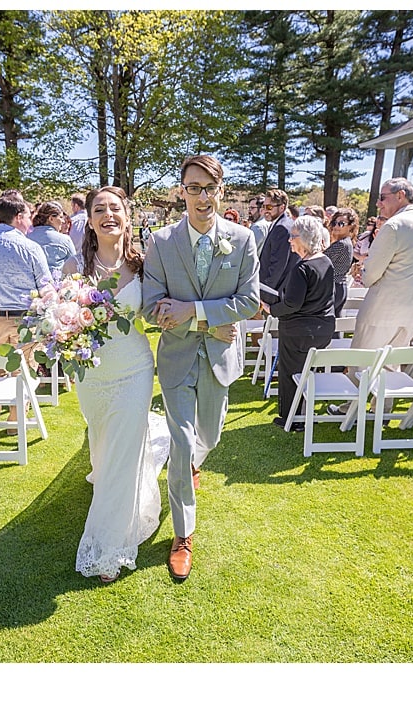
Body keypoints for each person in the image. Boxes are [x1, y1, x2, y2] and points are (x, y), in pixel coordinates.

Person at [142, 154, 260, 581]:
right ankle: (183, 534)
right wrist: (207, 319)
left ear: (221, 190)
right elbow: (152, 307)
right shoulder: (160, 241)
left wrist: (194, 313)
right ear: (181, 192)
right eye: (193, 188)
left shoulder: (243, 239)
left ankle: (190, 465)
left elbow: (249, 301)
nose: (202, 196)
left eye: (209, 188)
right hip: (176, 360)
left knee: (207, 437)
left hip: (219, 359)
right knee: (181, 442)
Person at [61, 186, 165, 584]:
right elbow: (64, 317)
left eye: (115, 208)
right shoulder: (76, 267)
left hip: (135, 369)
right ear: (88, 220)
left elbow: (156, 311)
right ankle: (114, 493)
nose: (108, 214)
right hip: (93, 373)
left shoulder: (143, 264)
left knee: (121, 453)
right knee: (104, 450)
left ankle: (108, 547)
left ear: (128, 216)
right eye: (99, 209)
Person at [327, 178, 413, 417]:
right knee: (391, 362)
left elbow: (372, 273)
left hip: (385, 306)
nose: (378, 203)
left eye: (383, 197)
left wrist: (362, 271)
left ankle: (350, 409)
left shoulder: (394, 226)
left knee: (360, 358)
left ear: (401, 196)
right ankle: (382, 411)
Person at [0, 191, 49, 423]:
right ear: (18, 216)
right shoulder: (29, 247)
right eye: (28, 215)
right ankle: (16, 422)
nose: (30, 221)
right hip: (23, 318)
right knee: (23, 369)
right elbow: (45, 286)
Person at [269, 216, 335, 431]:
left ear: (305, 238)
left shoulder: (302, 268)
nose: (290, 240)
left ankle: (292, 419)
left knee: (290, 374)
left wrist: (271, 309)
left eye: (293, 236)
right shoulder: (325, 261)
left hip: (298, 331)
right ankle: (300, 415)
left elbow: (292, 304)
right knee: (306, 373)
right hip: (322, 328)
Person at [258, 188, 298, 299]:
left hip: (274, 294)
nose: (265, 210)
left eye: (269, 207)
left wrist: (265, 293)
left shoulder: (282, 228)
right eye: (264, 206)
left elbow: (278, 266)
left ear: (282, 207)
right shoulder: (282, 224)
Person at [323, 207, 357, 316]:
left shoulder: (341, 244)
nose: (336, 226)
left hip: (334, 288)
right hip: (339, 287)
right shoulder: (347, 242)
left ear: (350, 226)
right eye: (334, 222)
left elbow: (320, 262)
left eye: (341, 224)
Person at [27, 201, 77, 272]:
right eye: (61, 217)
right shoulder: (65, 240)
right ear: (51, 219)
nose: (63, 221)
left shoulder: (27, 238)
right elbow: (75, 265)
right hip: (57, 281)